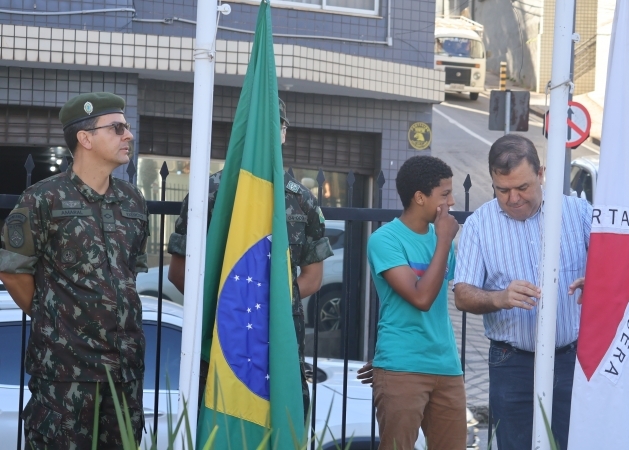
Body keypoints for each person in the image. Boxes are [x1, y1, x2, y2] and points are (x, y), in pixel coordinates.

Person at [0, 92, 149, 449]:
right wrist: (54, 319)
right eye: (117, 128)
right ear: (85, 138)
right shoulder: (43, 198)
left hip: (125, 373)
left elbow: (129, 275)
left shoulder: (133, 201)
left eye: (126, 127)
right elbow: (13, 272)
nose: (128, 135)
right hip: (65, 376)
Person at [166, 98, 333, 416]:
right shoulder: (209, 194)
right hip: (223, 335)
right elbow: (178, 272)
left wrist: (267, 306)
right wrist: (230, 306)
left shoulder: (302, 201)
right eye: (258, 127)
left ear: (284, 134)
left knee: (281, 417)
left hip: (279, 336)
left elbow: (312, 278)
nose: (266, 135)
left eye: (274, 127)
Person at [453, 134, 591, 450]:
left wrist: (596, 281)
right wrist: (498, 298)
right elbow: (462, 294)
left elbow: (615, 265)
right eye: (502, 190)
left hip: (571, 359)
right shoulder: (479, 224)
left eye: (522, 187)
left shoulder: (577, 212)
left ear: (541, 174)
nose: (513, 198)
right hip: (511, 364)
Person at [359, 155, 466, 450]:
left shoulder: (440, 238)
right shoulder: (385, 240)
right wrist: (444, 241)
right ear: (420, 197)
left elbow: (458, 291)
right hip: (403, 368)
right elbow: (421, 298)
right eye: (445, 194)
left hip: (447, 366)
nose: (451, 201)